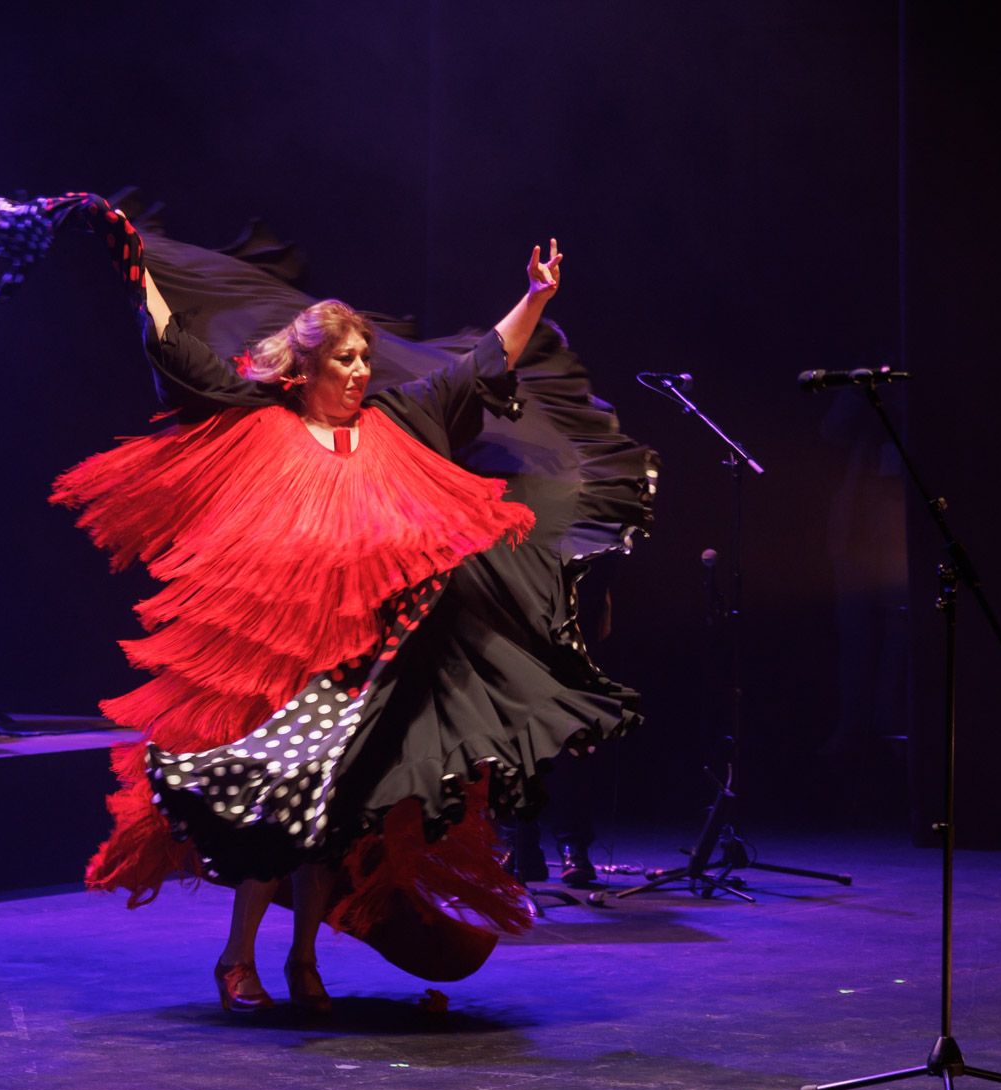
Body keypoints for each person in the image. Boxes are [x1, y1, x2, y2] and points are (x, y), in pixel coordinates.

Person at [33, 194, 653, 1013]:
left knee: (333, 820)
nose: (363, 372)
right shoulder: (265, 423)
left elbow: (478, 367)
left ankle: (301, 964)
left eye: (364, 357)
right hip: (287, 667)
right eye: (347, 360)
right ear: (308, 368)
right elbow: (180, 353)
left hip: (370, 671)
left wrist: (536, 299)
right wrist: (138, 272)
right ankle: (237, 960)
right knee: (271, 813)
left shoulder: (400, 421)